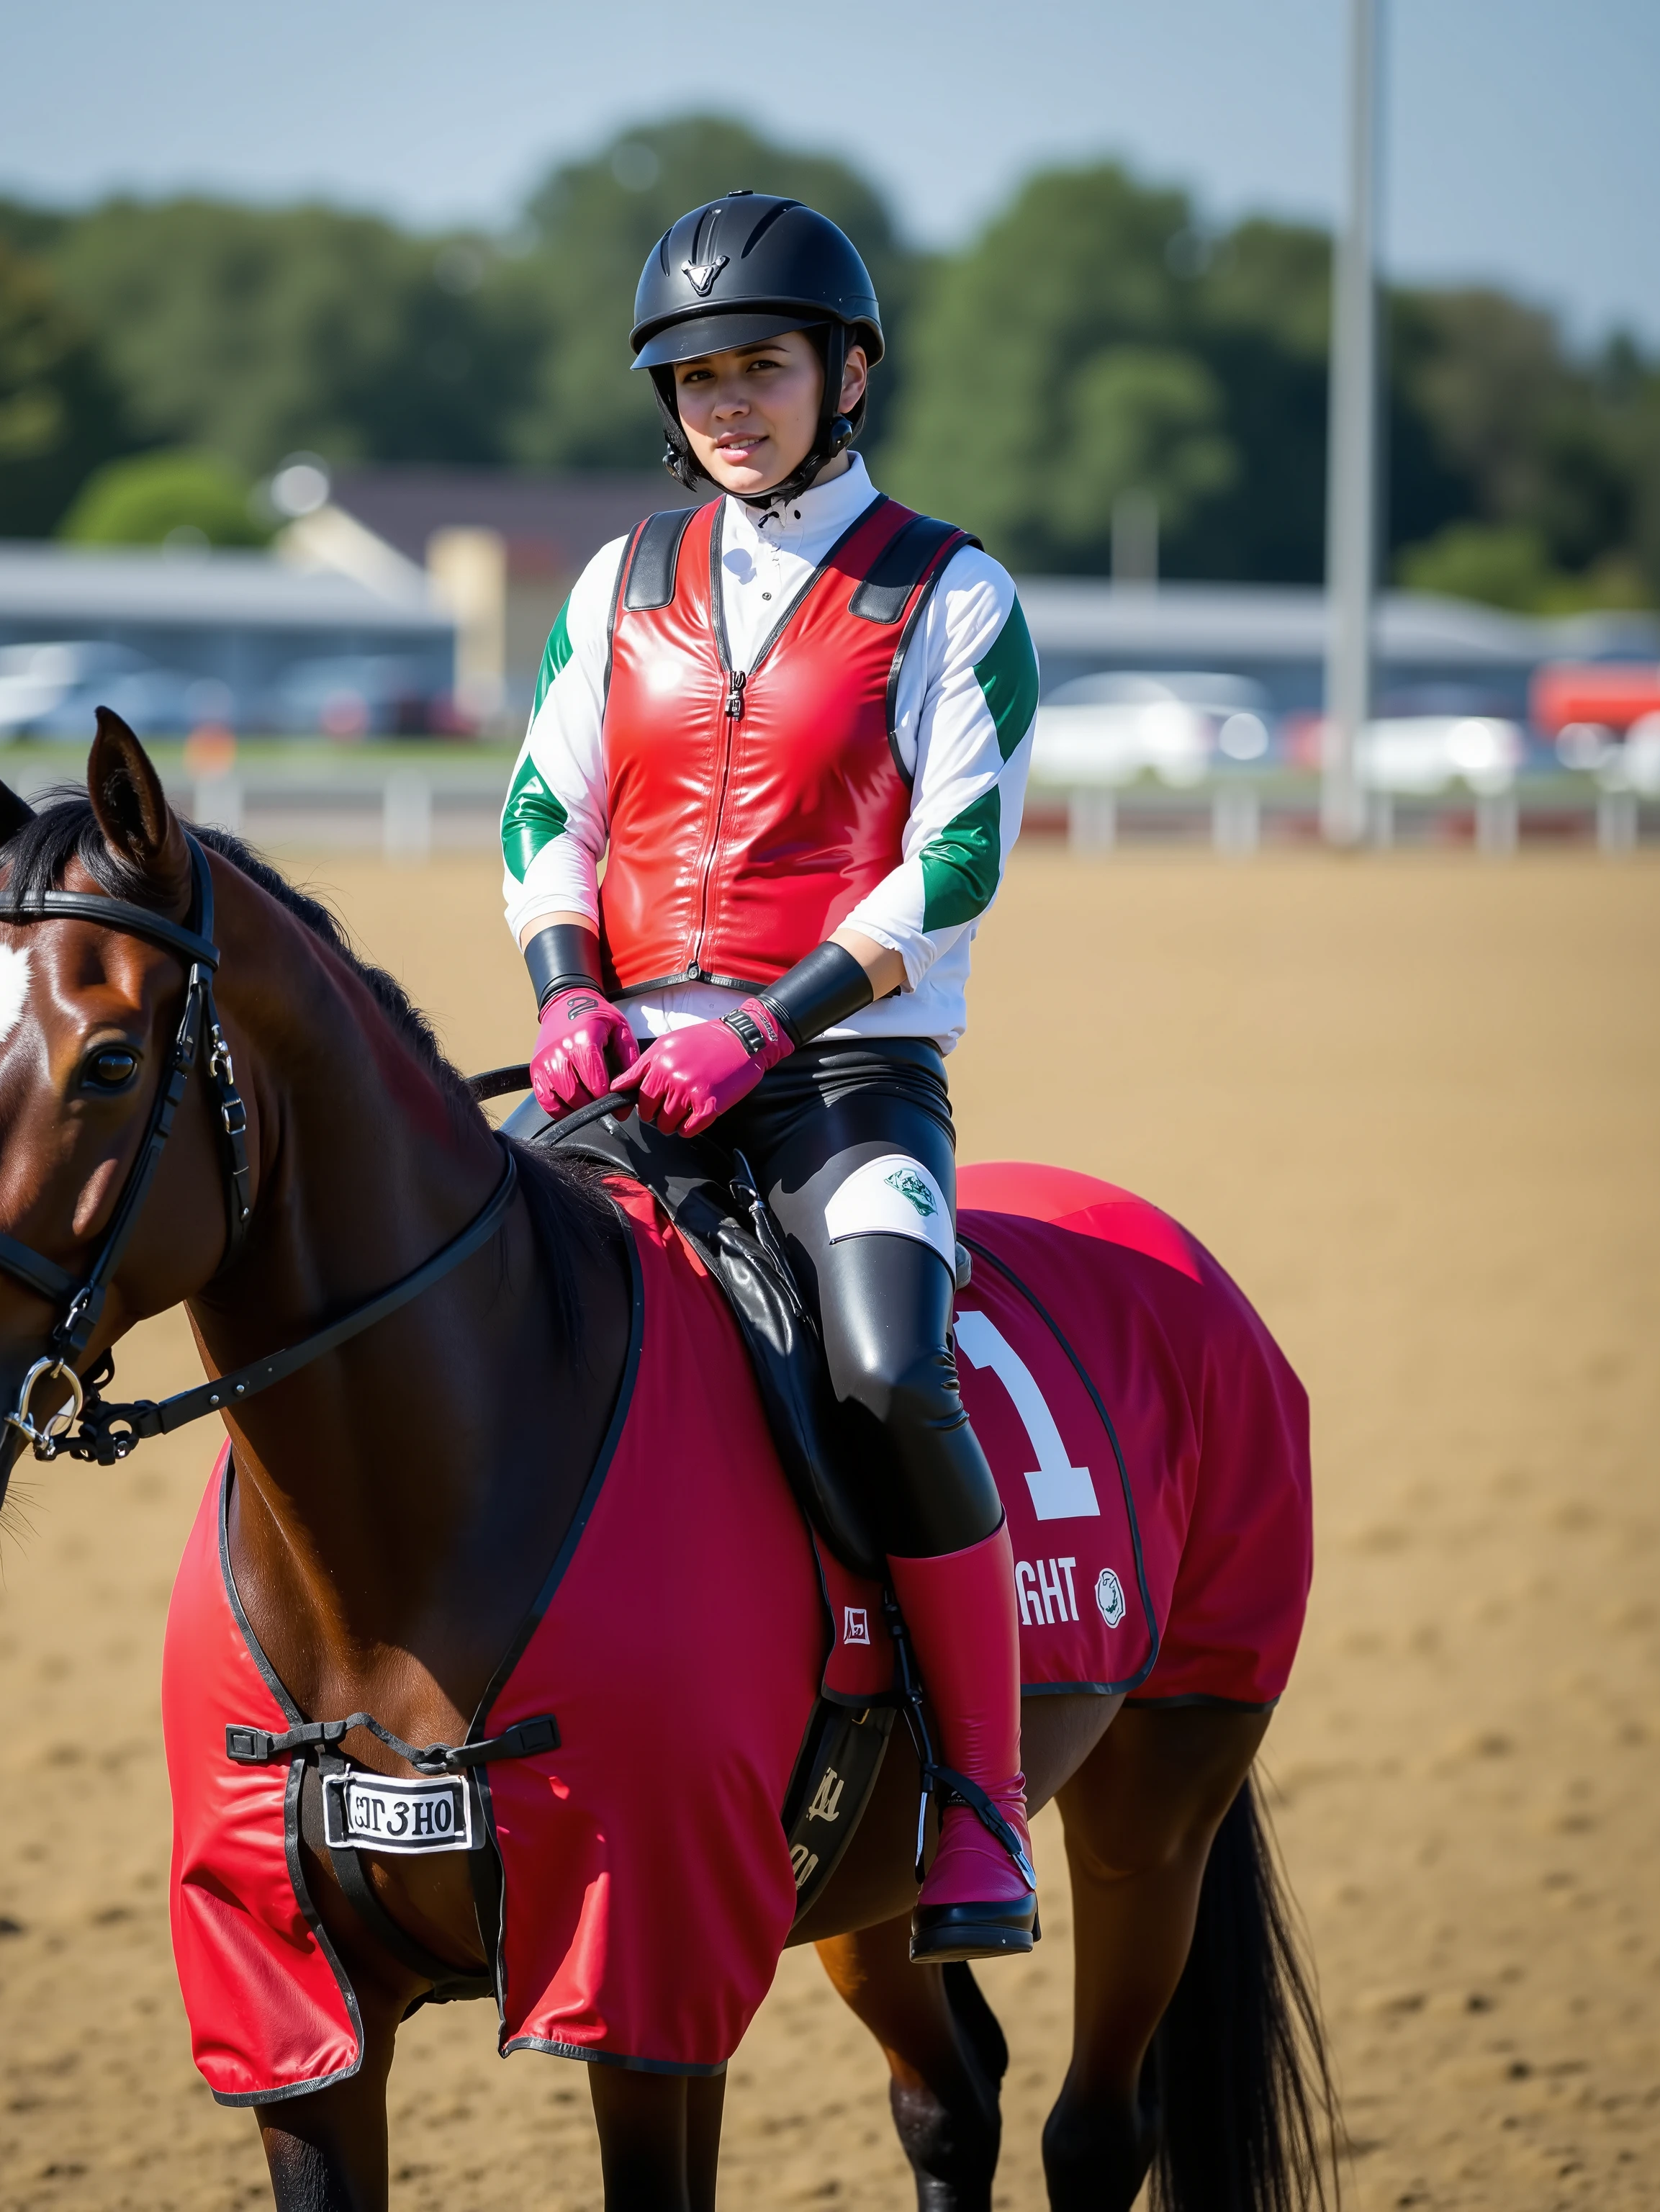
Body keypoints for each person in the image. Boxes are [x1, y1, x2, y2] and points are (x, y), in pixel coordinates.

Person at [499, 192, 1039, 1962]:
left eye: (763, 368)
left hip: (845, 1080)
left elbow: (954, 859)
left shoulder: (954, 589)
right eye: (699, 376)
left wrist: (771, 1022)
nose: (730, 404)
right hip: (622, 1063)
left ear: (848, 371)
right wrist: (570, 990)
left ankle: (973, 1796)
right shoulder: (617, 578)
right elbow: (543, 810)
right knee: (440, 1312)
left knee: (888, 1371)